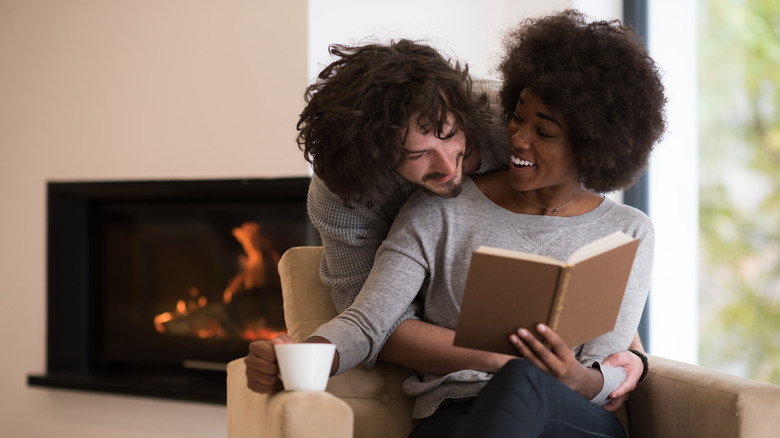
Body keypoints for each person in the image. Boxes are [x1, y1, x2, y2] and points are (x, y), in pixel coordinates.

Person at [246, 23, 654, 413]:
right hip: (463, 402)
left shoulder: (509, 113)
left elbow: (587, 221)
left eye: (447, 132)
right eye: (414, 154)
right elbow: (369, 323)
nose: (445, 166)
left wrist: (627, 359)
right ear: (377, 165)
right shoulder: (354, 199)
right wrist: (302, 358)